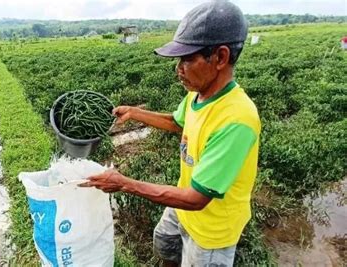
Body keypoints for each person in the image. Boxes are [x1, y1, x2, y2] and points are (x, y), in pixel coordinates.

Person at [80, 0, 260, 266]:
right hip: (182, 206)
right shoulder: (198, 95)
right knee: (164, 242)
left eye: (187, 59)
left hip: (210, 232)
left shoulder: (236, 119)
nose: (178, 69)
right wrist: (135, 112)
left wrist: (124, 183)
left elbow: (197, 199)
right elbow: (178, 123)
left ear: (220, 57)